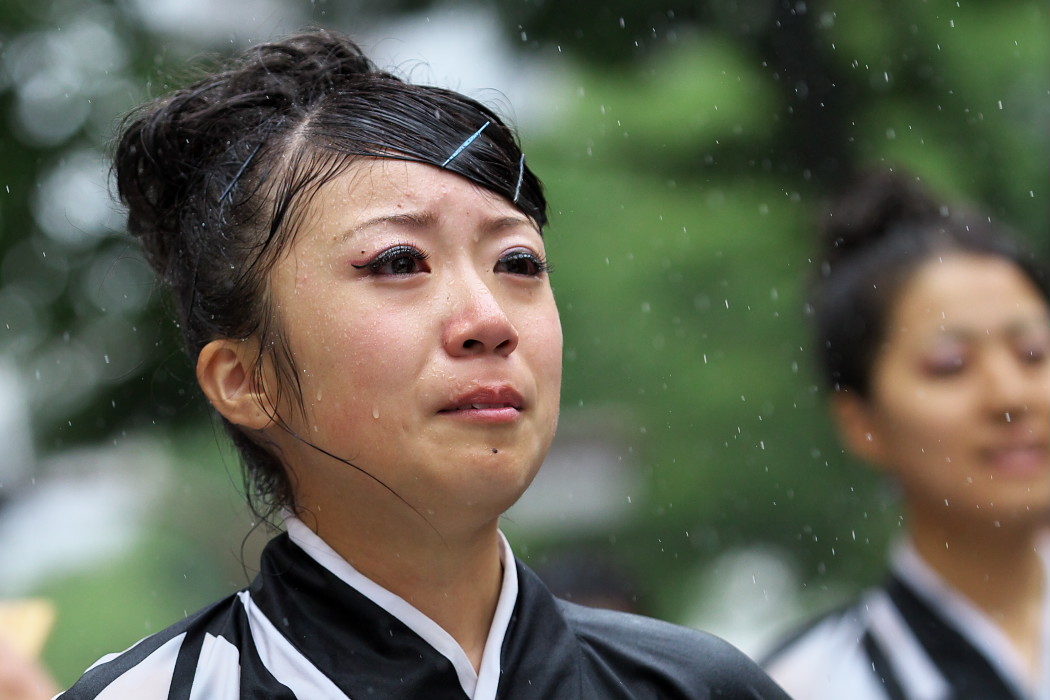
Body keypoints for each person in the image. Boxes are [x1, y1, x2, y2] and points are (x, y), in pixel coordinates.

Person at [58, 29, 788, 699]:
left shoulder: (695, 687)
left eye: (519, 262)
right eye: (401, 261)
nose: (490, 321)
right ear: (246, 380)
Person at [762, 170, 1050, 699]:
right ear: (861, 422)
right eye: (950, 365)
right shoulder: (807, 685)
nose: (1011, 396)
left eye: (1033, 353)